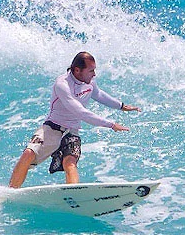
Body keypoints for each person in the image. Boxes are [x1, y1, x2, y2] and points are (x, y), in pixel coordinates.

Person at [8, 51, 140, 188]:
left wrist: (121, 106)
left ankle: (73, 194)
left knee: (70, 162)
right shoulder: (62, 84)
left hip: (72, 131)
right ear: (77, 70)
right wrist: (111, 125)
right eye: (91, 70)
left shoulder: (89, 82)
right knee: (28, 154)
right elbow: (80, 112)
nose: (94, 74)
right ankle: (11, 191)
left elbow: (99, 94)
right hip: (53, 127)